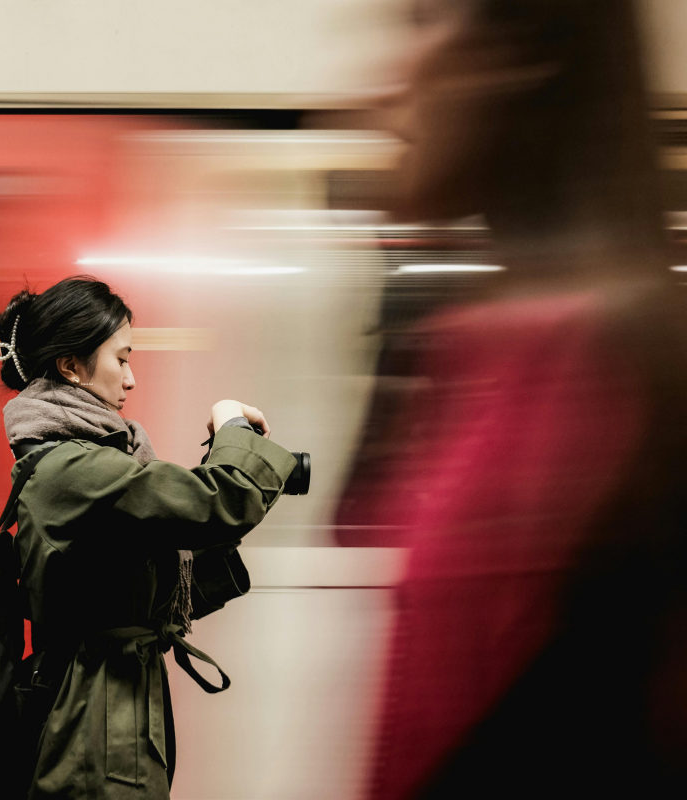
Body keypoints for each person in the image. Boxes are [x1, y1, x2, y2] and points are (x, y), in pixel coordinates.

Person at [339, 0, 687, 797]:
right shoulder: (480, 357)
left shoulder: (635, 376)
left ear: (525, 52)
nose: (376, 89)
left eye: (423, 23)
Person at [0, 276, 298, 799]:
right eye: (121, 359)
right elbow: (219, 502)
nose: (131, 380)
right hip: (96, 723)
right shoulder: (71, 469)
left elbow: (156, 572)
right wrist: (230, 428)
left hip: (111, 710)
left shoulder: (82, 461)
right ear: (70, 367)